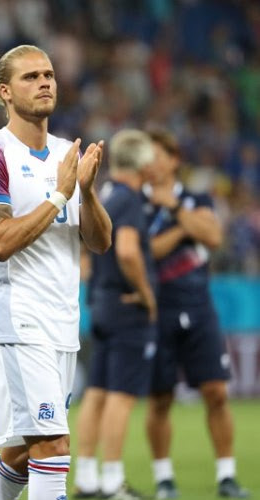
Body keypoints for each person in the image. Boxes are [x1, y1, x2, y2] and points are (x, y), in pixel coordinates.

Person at [0, 44, 111, 500]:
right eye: (31, 77)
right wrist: (61, 196)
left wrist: (87, 193)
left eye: (48, 74)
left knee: (21, 458)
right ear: (3, 92)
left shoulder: (69, 153)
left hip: (64, 323)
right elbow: (0, 241)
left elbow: (100, 241)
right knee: (51, 446)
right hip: (20, 319)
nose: (45, 82)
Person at [143, 129, 249, 499]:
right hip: (157, 311)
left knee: (217, 392)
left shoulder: (194, 197)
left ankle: (226, 475)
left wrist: (173, 211)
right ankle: (164, 479)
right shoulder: (135, 204)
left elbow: (213, 236)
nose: (152, 163)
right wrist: (184, 229)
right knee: (160, 398)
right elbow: (144, 254)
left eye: (158, 155)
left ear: (174, 160)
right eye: (146, 156)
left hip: (200, 308)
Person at [73, 129, 158, 500]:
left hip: (101, 302)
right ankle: (111, 481)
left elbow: (87, 252)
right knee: (121, 396)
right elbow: (126, 251)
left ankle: (87, 478)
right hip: (126, 305)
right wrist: (146, 295)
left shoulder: (103, 192)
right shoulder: (131, 200)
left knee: (97, 392)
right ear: (141, 162)